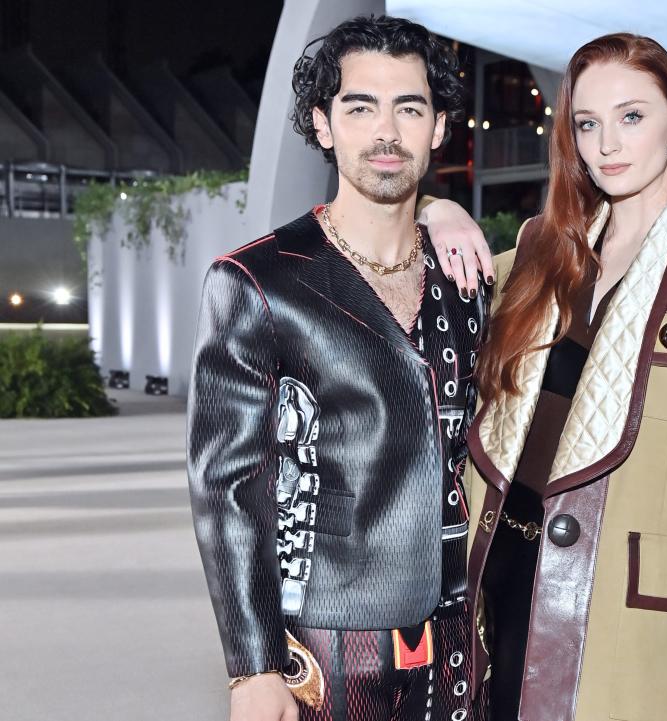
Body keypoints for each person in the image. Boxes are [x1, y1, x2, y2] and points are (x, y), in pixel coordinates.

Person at [463, 33, 667, 721]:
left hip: (624, 604)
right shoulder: (538, 246)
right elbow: (427, 283)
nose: (606, 142)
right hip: (498, 574)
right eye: (587, 123)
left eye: (631, 116)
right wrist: (434, 210)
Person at [187, 15, 493, 721]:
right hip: (325, 644)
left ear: (438, 128)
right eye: (359, 107)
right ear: (323, 125)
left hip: (460, 637)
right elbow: (227, 489)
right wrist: (252, 667)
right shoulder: (257, 281)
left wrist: (444, 210)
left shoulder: (469, 278)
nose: (385, 132)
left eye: (408, 108)